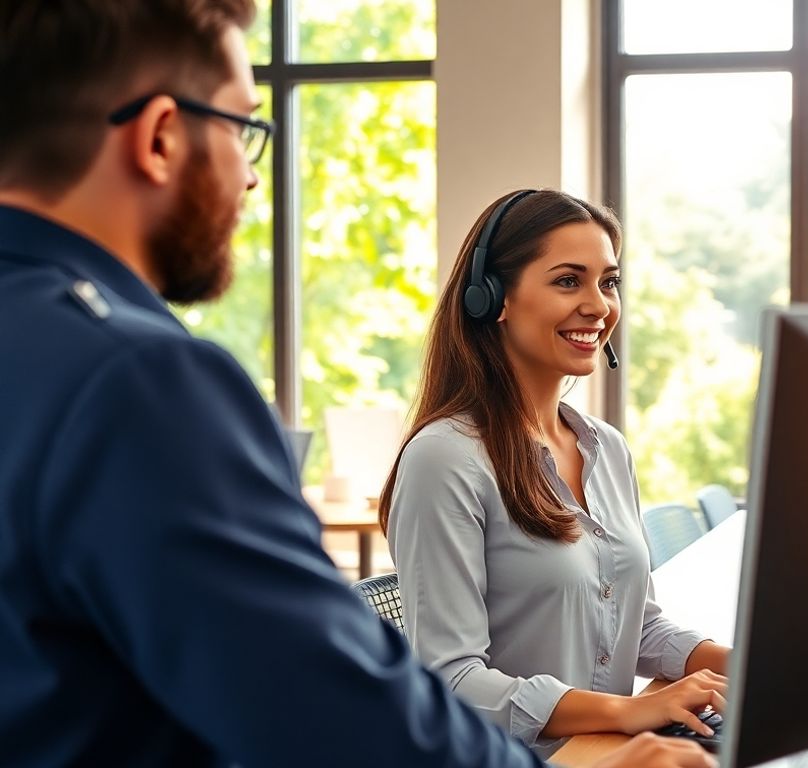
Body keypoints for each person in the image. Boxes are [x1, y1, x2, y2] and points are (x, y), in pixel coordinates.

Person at [0, 2, 712, 767]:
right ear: (162, 137)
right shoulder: (140, 380)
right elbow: (327, 708)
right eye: (244, 128)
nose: (246, 175)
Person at [378, 189, 731, 757]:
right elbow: (451, 681)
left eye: (608, 282)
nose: (599, 305)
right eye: (569, 281)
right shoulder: (445, 459)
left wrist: (741, 666)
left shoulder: (606, 448)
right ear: (491, 298)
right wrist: (631, 710)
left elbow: (632, 626)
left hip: (607, 753)